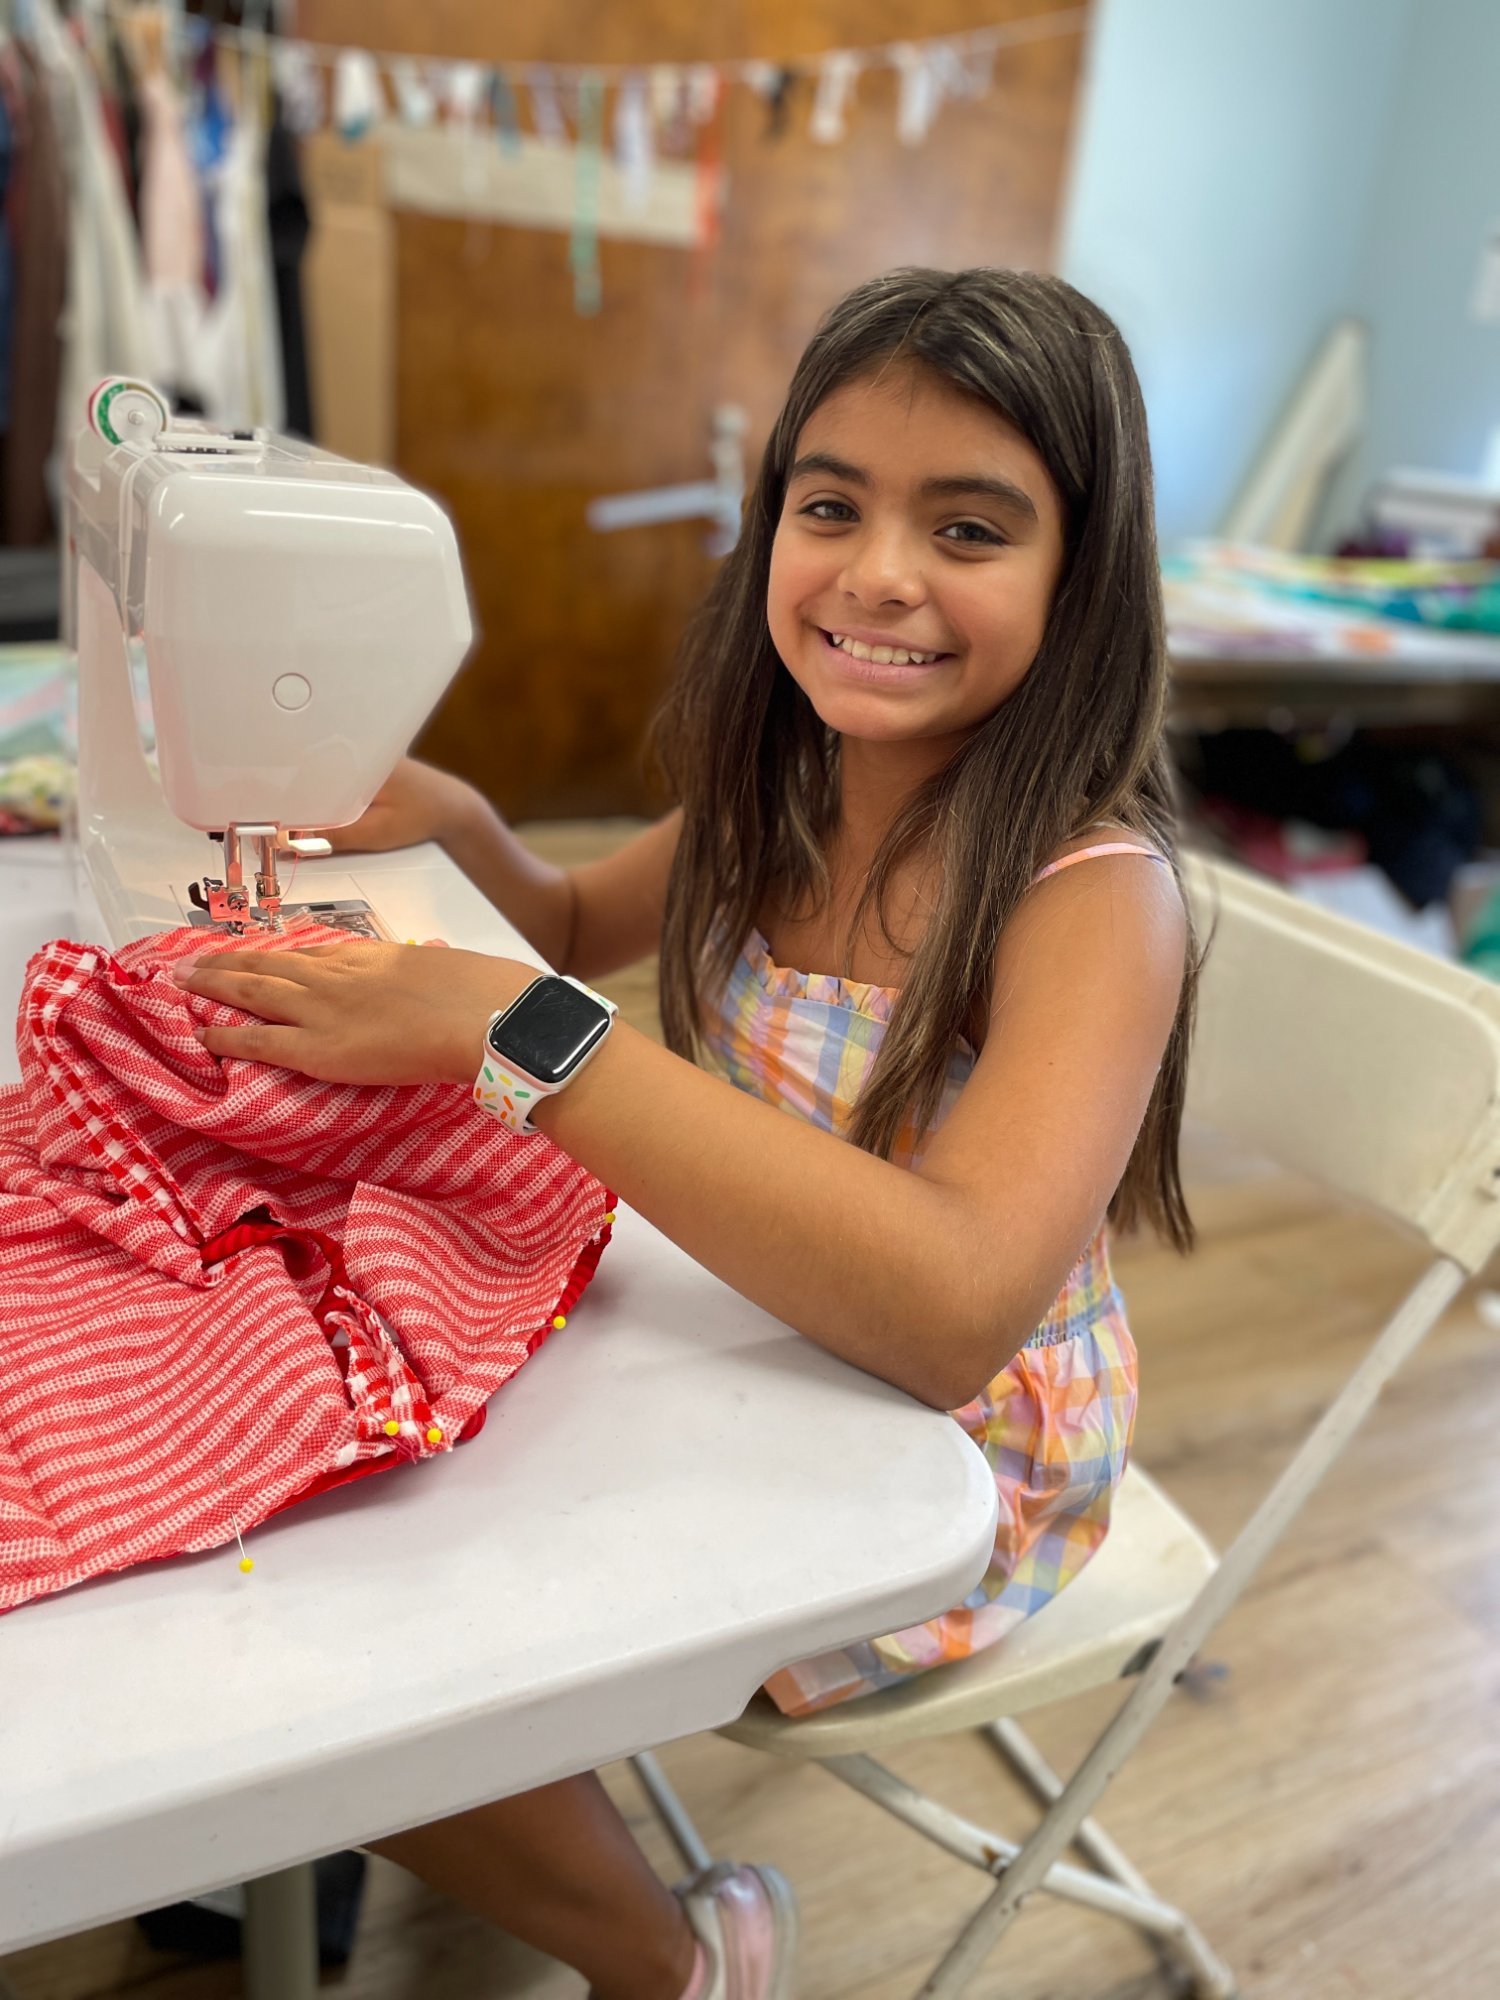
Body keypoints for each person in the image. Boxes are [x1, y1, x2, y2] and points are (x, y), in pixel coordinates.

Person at [171, 266, 1196, 2000]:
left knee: (366, 1642)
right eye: (830, 505)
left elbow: (951, 1308)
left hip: (950, 1462)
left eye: (969, 527)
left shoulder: (1095, 899)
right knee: (298, 1507)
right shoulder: (774, 785)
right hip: (733, 1323)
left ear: (1081, 581)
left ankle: (677, 1959)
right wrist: (472, 829)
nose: (879, 574)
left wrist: (502, 1030)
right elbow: (572, 924)